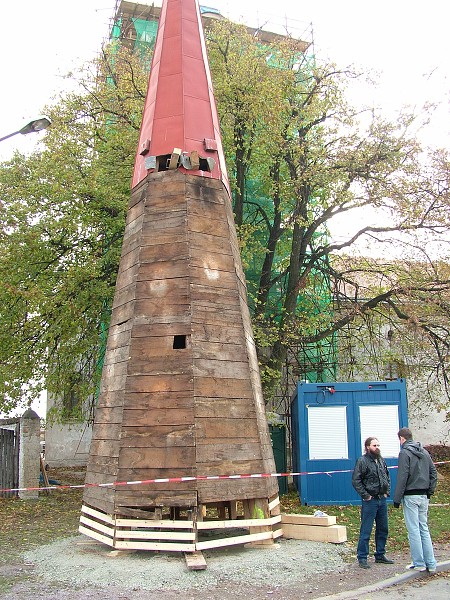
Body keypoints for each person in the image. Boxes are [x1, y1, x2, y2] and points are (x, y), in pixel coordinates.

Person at [393, 427, 438, 573]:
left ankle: (419, 563)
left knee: (413, 530)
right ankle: (431, 563)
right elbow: (433, 473)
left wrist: (397, 499)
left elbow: (402, 476)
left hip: (410, 495)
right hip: (424, 495)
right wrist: (429, 491)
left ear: (402, 438)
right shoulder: (424, 452)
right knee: (423, 528)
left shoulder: (404, 453)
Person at [352, 437, 394, 568]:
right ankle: (362, 557)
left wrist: (387, 490)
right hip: (370, 501)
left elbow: (387, 476)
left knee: (383, 528)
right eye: (374, 445)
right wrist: (366, 495)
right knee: (366, 530)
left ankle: (380, 554)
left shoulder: (381, 460)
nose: (377, 447)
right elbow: (356, 480)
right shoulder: (362, 461)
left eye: (378, 445)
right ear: (367, 447)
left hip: (382, 499)